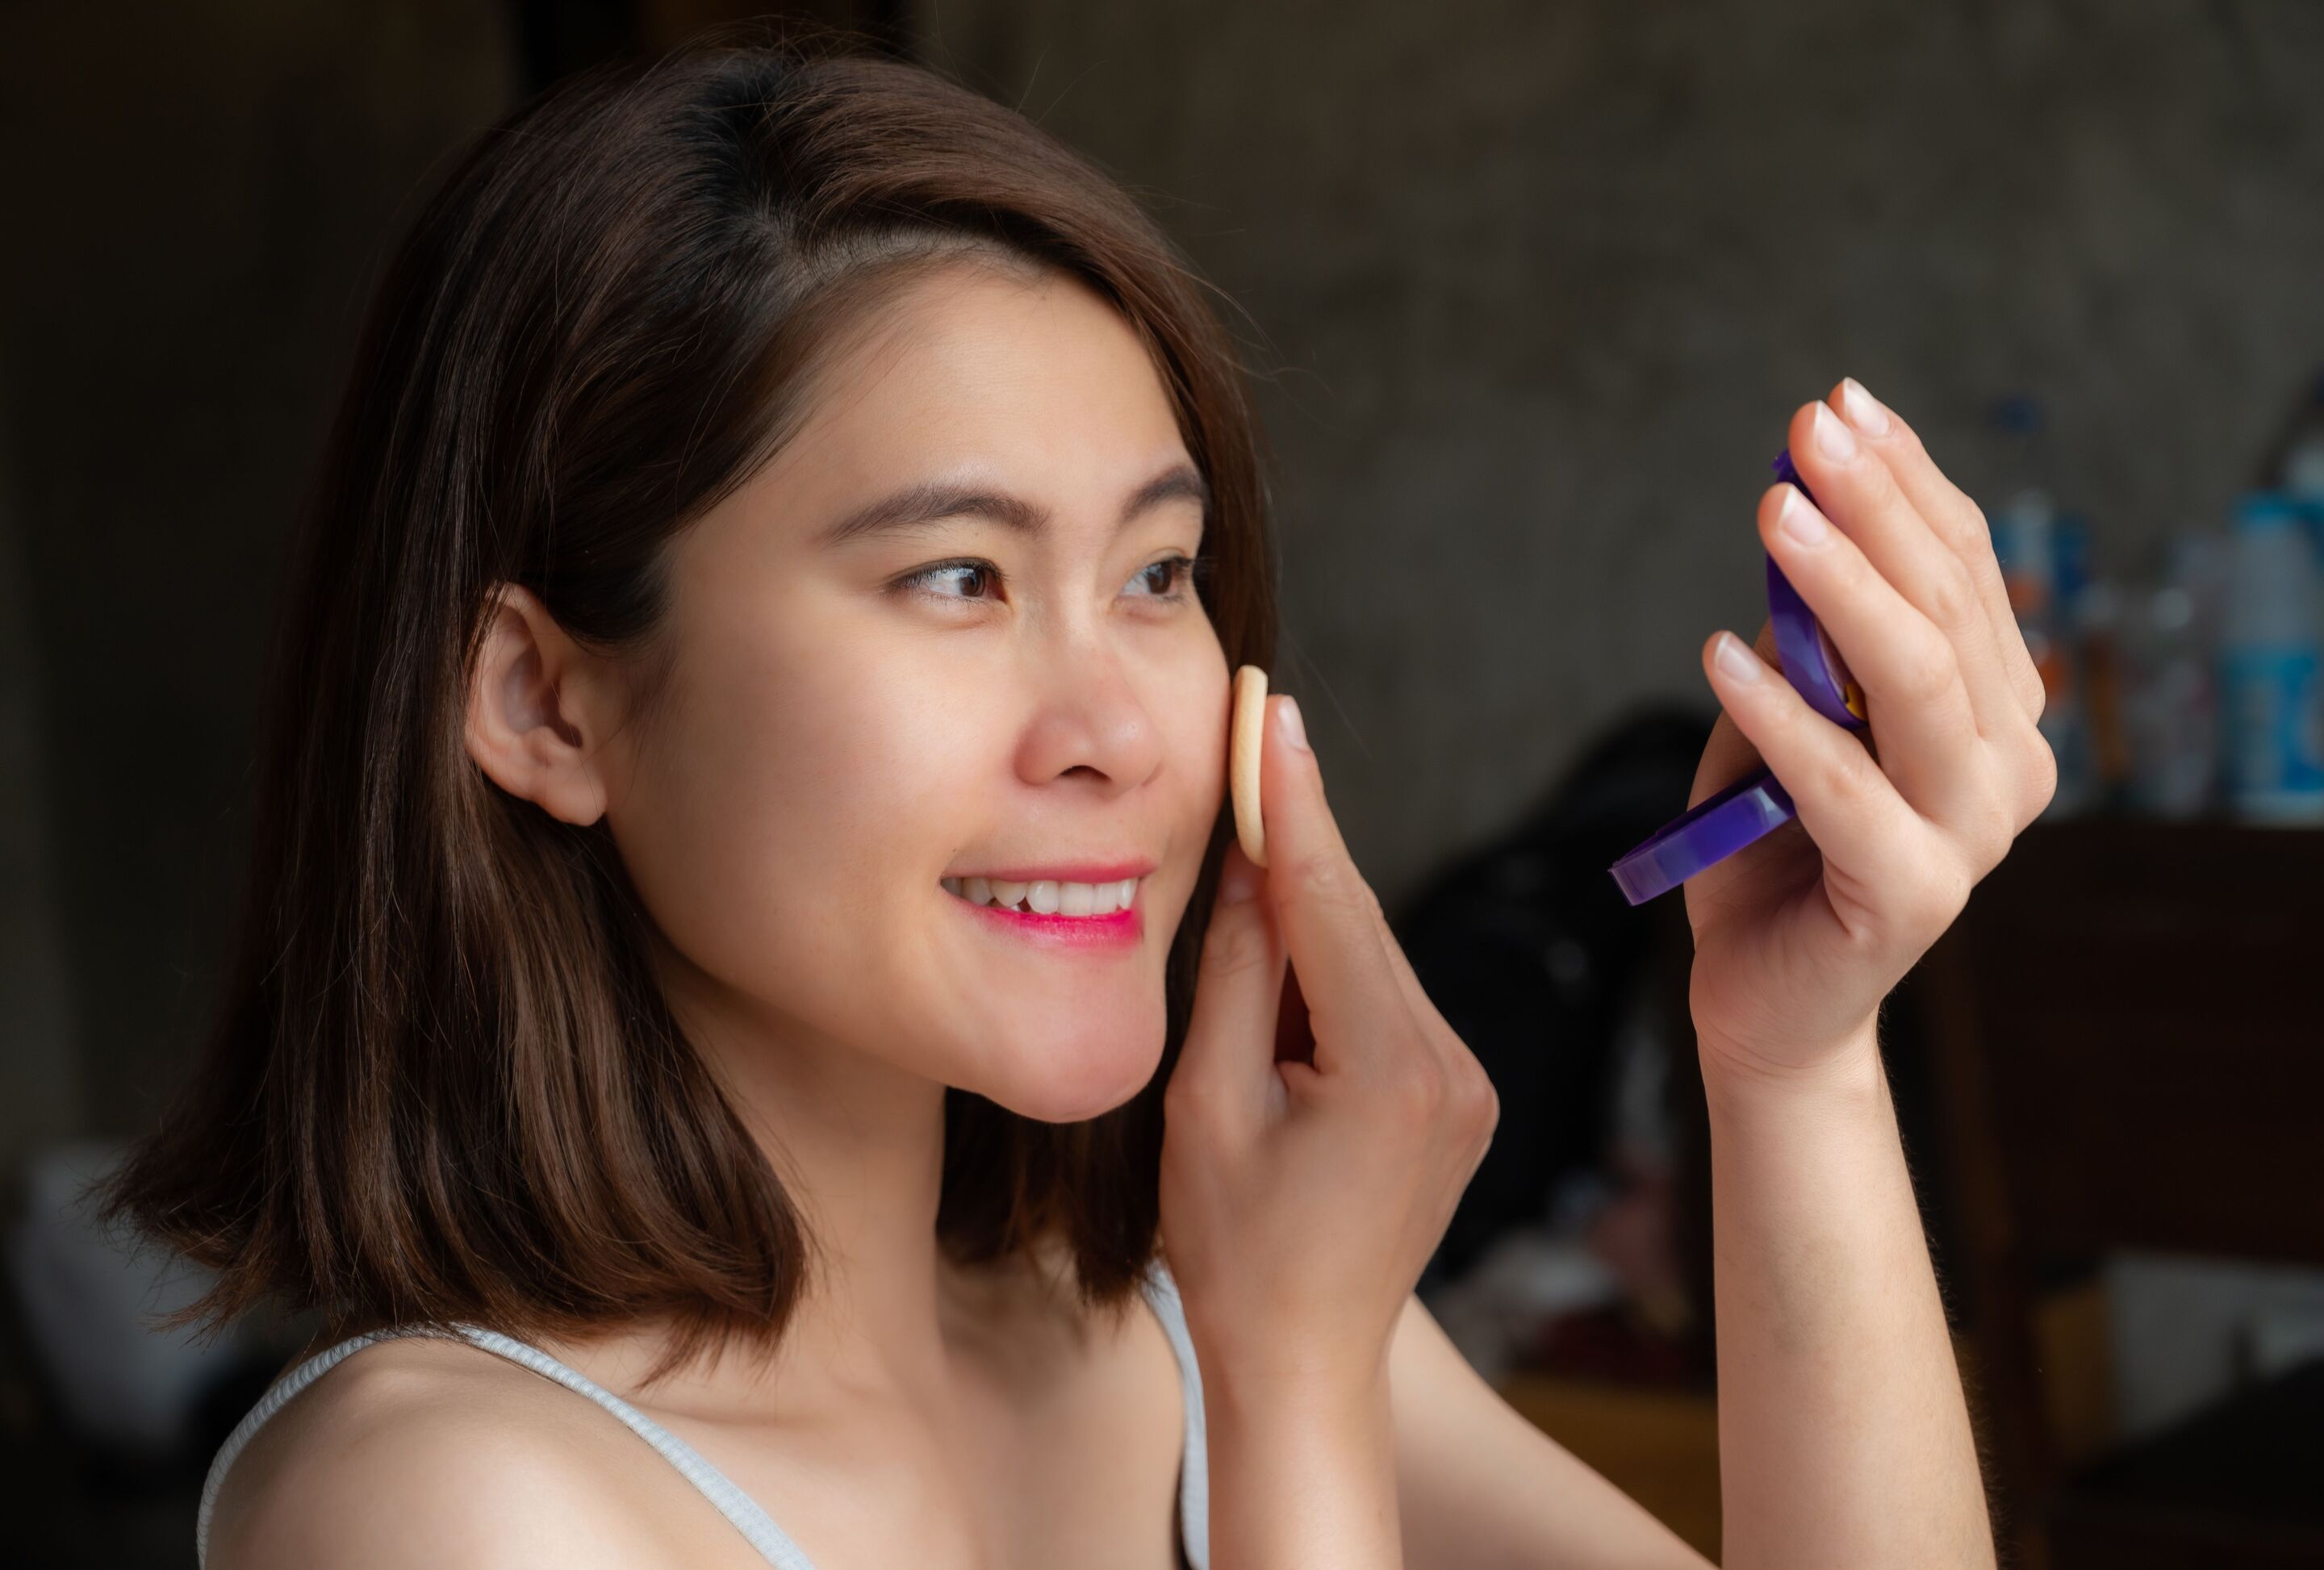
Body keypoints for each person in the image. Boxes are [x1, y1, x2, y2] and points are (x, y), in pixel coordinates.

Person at [101, 34, 2053, 1570]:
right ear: (547, 700)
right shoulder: (451, 1510)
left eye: (1156, 573)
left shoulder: (1170, 1312)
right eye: (957, 576)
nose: (1120, 724)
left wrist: (1790, 1072)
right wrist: (1295, 1418)